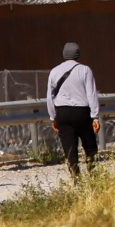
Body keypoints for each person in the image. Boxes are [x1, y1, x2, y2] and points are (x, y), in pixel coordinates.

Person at [46, 41, 102, 177]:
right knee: (89, 146)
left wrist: (53, 117)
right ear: (78, 54)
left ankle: (76, 178)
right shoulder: (85, 70)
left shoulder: (54, 71)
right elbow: (91, 94)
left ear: (64, 54)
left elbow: (49, 97)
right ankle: (93, 175)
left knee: (69, 148)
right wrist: (95, 116)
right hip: (82, 112)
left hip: (63, 112)